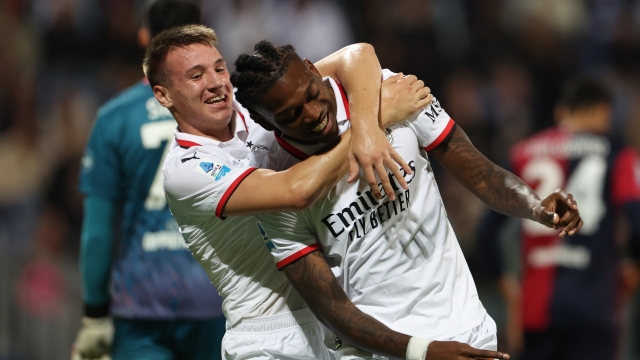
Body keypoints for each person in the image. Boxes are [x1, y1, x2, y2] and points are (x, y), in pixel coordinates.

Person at [229, 40, 583, 360]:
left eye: (311, 93)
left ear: (312, 68)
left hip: (463, 328)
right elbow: (331, 307)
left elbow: (480, 172)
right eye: (291, 114)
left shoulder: (388, 91)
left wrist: (536, 206)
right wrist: (421, 351)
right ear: (262, 119)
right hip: (377, 351)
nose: (312, 113)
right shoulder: (273, 182)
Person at [147, 24, 441, 359]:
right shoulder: (185, 168)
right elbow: (296, 190)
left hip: (336, 317)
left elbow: (357, 56)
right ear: (163, 95)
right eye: (196, 75)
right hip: (269, 335)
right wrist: (377, 118)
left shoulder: (261, 108)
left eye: (218, 68)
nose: (216, 82)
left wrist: (367, 126)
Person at [73, 2, 227, 360]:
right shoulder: (227, 111)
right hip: (217, 296)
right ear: (199, 32)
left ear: (144, 37)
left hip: (141, 305)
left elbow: (96, 231)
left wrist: (94, 315)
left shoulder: (114, 118)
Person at [477, 77, 640, 360]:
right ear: (603, 111)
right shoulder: (619, 155)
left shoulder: (521, 154)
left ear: (560, 112)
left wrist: (511, 293)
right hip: (595, 306)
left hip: (535, 310)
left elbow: (485, 234)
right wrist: (631, 270)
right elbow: (637, 223)